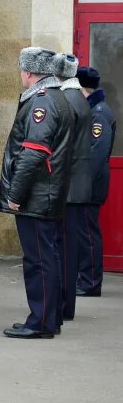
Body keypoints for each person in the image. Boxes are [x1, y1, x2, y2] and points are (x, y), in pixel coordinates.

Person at [0, 47, 73, 340]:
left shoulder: (41, 102)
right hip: (47, 193)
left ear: (28, 73)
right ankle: (49, 319)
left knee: (38, 260)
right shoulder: (58, 97)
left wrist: (15, 194)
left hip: (37, 195)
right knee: (48, 257)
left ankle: (39, 321)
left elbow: (33, 153)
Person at [53, 54, 92, 322]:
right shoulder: (79, 97)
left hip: (68, 185)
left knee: (64, 249)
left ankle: (64, 305)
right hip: (77, 184)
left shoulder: (67, 100)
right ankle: (66, 304)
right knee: (69, 247)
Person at [76, 66, 116, 297]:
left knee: (88, 233)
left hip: (91, 183)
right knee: (83, 231)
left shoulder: (98, 113)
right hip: (87, 182)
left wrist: (82, 182)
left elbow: (96, 154)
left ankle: (91, 282)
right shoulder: (93, 110)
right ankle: (85, 276)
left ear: (83, 89)